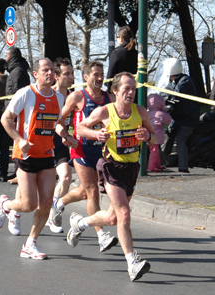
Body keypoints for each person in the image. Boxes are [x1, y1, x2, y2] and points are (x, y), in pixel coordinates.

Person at [67, 72, 155, 281]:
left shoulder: (140, 111)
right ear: (115, 91)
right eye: (126, 89)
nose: (131, 93)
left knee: (112, 217)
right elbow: (80, 127)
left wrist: (148, 136)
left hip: (131, 168)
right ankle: (132, 263)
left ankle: (80, 223)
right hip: (110, 166)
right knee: (124, 214)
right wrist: (95, 134)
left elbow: (156, 138)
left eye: (133, 89)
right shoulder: (105, 112)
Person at [0, 58, 66, 260]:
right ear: (36, 74)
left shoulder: (59, 98)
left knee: (47, 202)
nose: (50, 73)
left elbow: (56, 123)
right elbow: (5, 119)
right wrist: (19, 139)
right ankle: (5, 206)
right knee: (28, 205)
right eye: (45, 70)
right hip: (26, 155)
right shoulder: (26, 93)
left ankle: (30, 244)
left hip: (47, 154)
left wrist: (65, 136)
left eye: (52, 70)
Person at [50, 61, 119, 252]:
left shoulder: (110, 97)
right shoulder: (78, 96)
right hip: (81, 150)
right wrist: (65, 135)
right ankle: (101, 235)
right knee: (92, 191)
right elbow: (58, 119)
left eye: (101, 74)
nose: (99, 78)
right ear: (86, 77)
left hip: (103, 152)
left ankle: (59, 202)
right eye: (95, 74)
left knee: (83, 192)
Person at [45, 58, 77, 234]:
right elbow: (55, 122)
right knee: (30, 193)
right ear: (56, 76)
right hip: (43, 143)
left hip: (61, 143)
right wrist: (64, 133)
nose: (71, 77)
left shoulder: (74, 96)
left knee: (65, 176)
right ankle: (10, 209)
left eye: (72, 73)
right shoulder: (48, 95)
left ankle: (54, 213)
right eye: (67, 74)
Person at [162, 58, 199, 173]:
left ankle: (183, 168)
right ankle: (161, 163)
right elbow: (164, 92)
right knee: (166, 137)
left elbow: (175, 94)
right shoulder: (172, 82)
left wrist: (169, 102)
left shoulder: (184, 80)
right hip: (177, 118)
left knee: (180, 140)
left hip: (187, 118)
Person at [5, 46, 31, 183]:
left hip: (17, 113)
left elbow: (15, 93)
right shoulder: (17, 70)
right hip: (17, 112)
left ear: (12, 56)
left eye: (7, 56)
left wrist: (11, 113)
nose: (5, 59)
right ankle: (18, 172)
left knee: (18, 142)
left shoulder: (17, 72)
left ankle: (19, 173)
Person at [146, 93, 172, 172]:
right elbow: (168, 121)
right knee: (154, 152)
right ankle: (151, 167)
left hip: (148, 135)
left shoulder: (147, 113)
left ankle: (157, 165)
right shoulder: (161, 114)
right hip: (156, 136)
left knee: (155, 152)